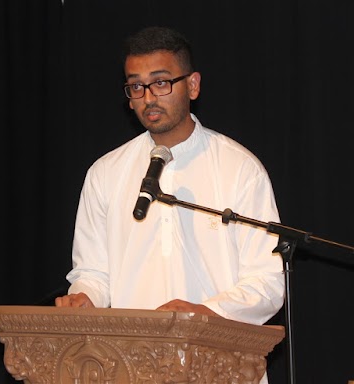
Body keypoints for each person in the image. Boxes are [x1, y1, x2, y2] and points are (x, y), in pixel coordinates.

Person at [56, 26, 284, 383]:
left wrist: (202, 314)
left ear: (192, 85)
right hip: (131, 365)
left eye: (161, 83)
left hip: (221, 363)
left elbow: (267, 282)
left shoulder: (239, 168)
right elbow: (93, 272)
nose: (148, 97)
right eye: (136, 86)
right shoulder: (106, 172)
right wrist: (85, 297)